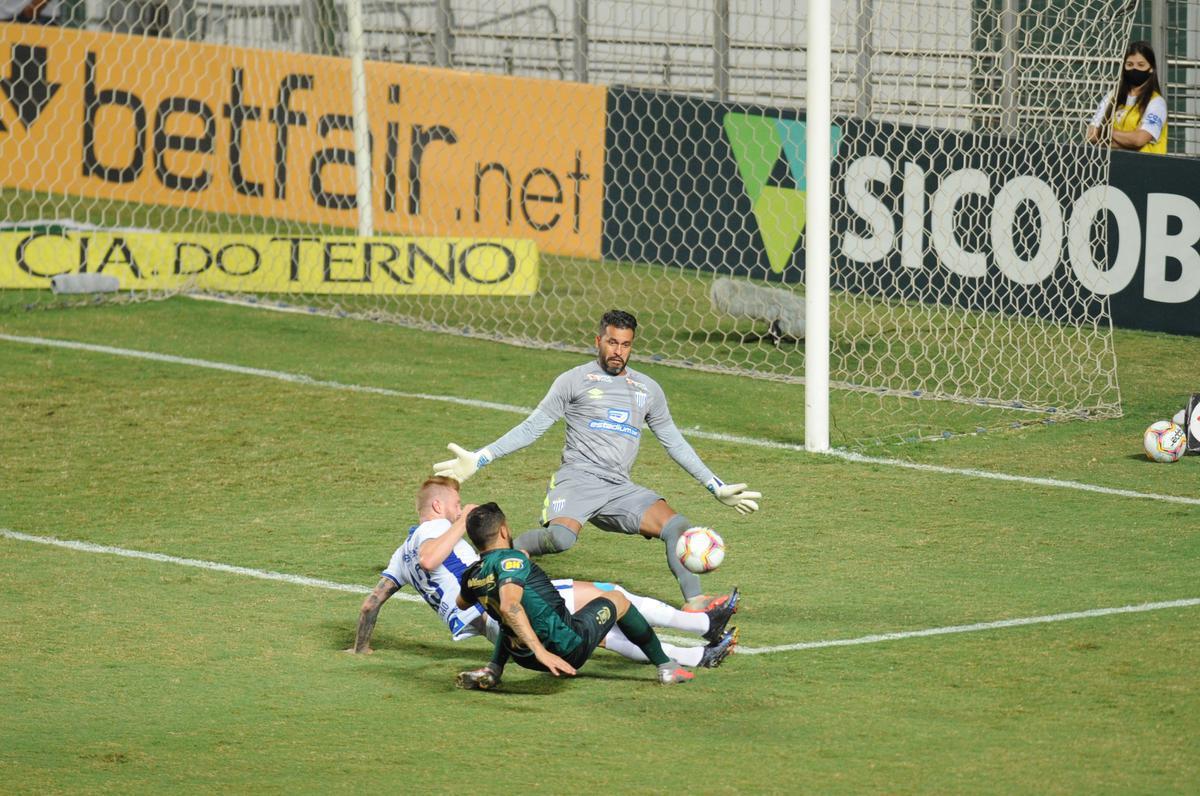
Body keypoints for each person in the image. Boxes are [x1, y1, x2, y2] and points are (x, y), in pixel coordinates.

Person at [433, 309, 760, 611]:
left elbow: (674, 441)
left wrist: (715, 486)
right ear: (598, 341)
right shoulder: (573, 380)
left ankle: (695, 602)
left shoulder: (647, 389)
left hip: (619, 488)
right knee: (560, 539)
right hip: (577, 480)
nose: (618, 351)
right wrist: (481, 457)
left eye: (626, 345)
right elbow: (533, 427)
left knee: (677, 526)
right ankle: (508, 552)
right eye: (612, 342)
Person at [347, 477, 740, 672]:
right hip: (507, 599)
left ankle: (698, 653)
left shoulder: (400, 554)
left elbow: (370, 605)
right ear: (437, 506)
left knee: (601, 636)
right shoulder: (434, 530)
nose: (459, 508)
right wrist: (463, 520)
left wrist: (360, 648)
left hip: (493, 625)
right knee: (613, 594)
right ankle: (704, 624)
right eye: (455, 503)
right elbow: (431, 558)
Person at [455, 502, 720, 689]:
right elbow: (510, 607)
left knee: (504, 612)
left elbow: (462, 603)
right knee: (617, 599)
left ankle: (494, 669)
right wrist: (542, 652)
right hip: (567, 647)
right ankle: (667, 668)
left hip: (524, 658)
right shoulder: (511, 561)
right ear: (503, 531)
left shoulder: (472, 574)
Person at [1086, 41, 1167, 154]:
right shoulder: (1112, 96)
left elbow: (1139, 139)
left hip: (1146, 163)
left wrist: (1108, 132)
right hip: (1113, 162)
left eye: (1141, 65)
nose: (1134, 69)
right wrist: (1128, 142)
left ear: (1151, 68)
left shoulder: (1156, 102)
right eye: (1129, 64)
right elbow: (1091, 135)